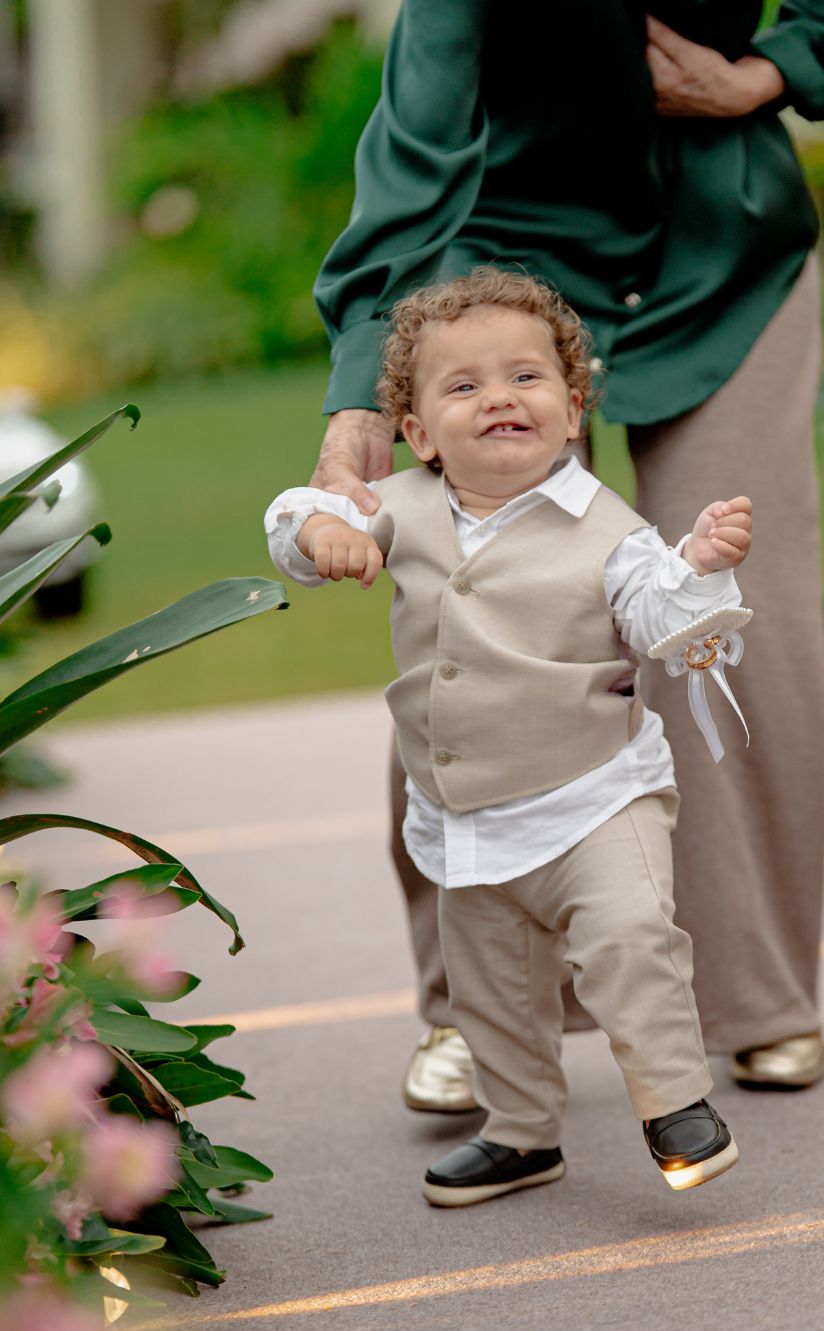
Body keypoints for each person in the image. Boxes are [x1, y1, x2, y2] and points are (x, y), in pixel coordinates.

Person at [306, 1, 824, 1113]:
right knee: (479, 609)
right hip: (507, 265)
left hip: (722, 244)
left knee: (731, 604)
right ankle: (475, 1012)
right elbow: (415, 140)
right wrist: (358, 396)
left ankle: (758, 996)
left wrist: (769, 73)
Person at [266, 267, 755, 1206]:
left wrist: (693, 568)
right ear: (416, 435)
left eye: (524, 378)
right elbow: (296, 519)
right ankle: (522, 1132)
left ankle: (674, 1104)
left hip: (593, 796)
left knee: (628, 940)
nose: (497, 397)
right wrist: (317, 533)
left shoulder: (610, 531)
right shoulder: (399, 505)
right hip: (465, 813)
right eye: (462, 386)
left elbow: (656, 619)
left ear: (572, 412)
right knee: (491, 992)